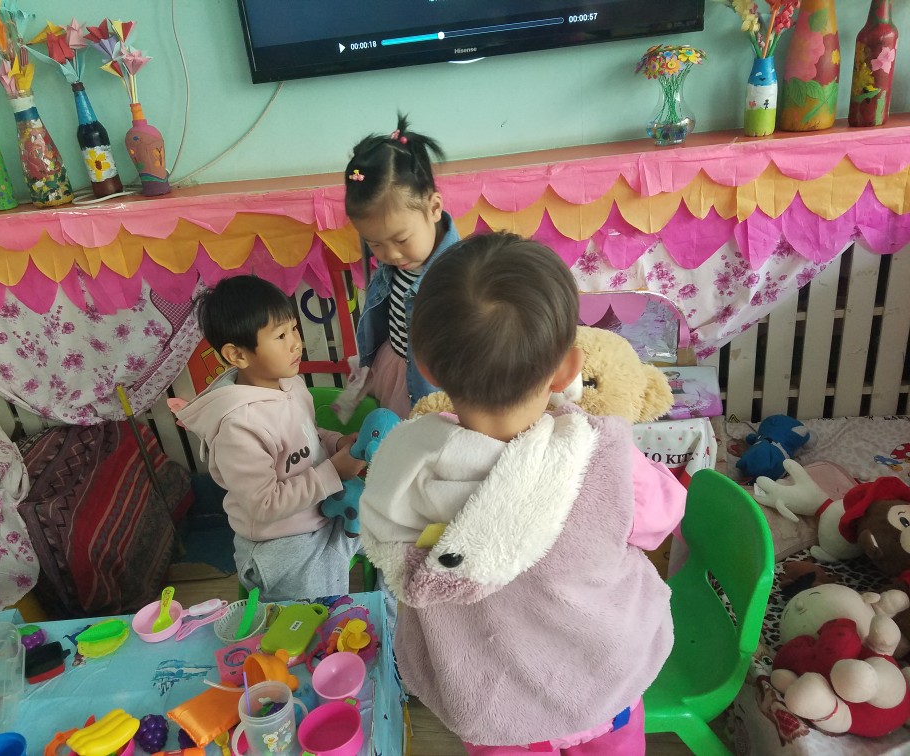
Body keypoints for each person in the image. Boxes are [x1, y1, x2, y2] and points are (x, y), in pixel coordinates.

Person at [360, 232, 687, 754]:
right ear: (568, 369)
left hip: (491, 704)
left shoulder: (403, 469)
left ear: (425, 368)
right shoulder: (603, 458)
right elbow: (663, 517)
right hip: (599, 684)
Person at [174, 275, 365, 602]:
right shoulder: (238, 426)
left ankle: (396, 621)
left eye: (294, 329)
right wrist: (334, 472)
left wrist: (336, 443)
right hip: (281, 541)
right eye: (280, 335)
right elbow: (264, 504)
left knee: (398, 532)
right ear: (237, 355)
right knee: (317, 613)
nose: (295, 343)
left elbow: (307, 434)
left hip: (324, 509)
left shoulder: (290, 384)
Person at [344, 113, 460, 419]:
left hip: (437, 384)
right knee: (395, 433)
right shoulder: (397, 259)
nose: (392, 255)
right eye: (375, 244)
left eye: (401, 239)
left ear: (434, 207)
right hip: (395, 366)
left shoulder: (461, 273)